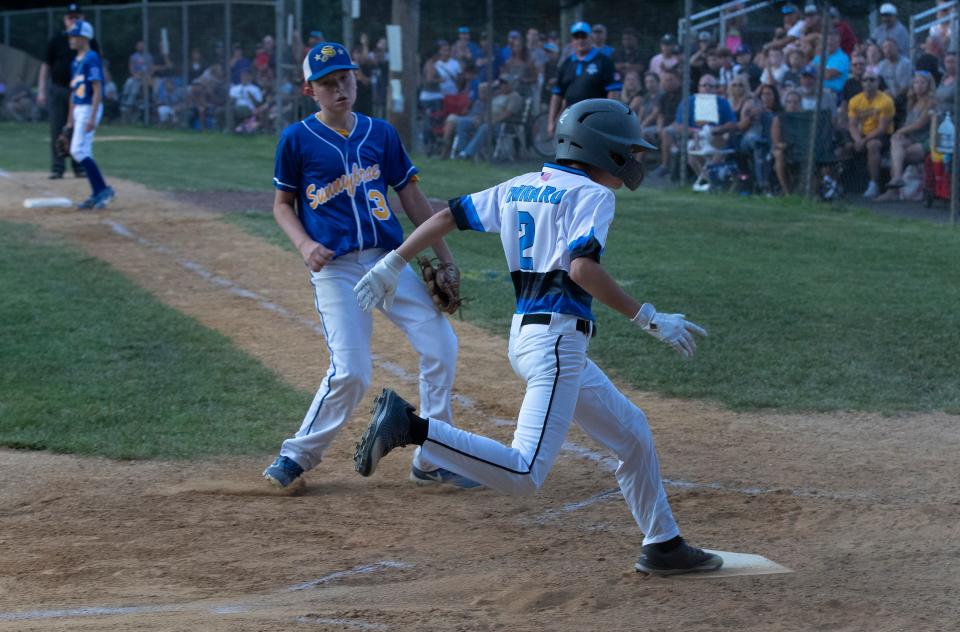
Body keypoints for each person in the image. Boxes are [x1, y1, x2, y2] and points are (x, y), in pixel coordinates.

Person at [352, 98, 722, 578]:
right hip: (556, 344)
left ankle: (663, 544)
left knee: (632, 433)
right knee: (525, 472)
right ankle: (412, 429)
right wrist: (648, 317)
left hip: (531, 338)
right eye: (628, 149)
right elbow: (583, 268)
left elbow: (447, 216)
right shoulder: (594, 195)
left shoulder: (522, 184)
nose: (635, 159)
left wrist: (393, 262)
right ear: (602, 149)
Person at [262, 42, 475, 491]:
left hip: (388, 262)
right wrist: (304, 244)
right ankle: (296, 456)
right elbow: (282, 205)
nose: (339, 87)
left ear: (356, 80)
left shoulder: (380, 133)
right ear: (309, 90)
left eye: (345, 78)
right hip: (336, 269)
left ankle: (432, 457)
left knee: (441, 345)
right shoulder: (296, 139)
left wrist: (444, 258)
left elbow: (412, 197)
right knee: (352, 371)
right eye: (327, 83)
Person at [37, 2, 99, 180]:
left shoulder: (89, 45)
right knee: (58, 128)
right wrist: (41, 90)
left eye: (77, 17)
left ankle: (79, 167)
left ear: (83, 19)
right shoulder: (57, 40)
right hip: (59, 89)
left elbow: (96, 69)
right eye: (70, 17)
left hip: (81, 93)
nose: (73, 20)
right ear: (65, 19)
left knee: (77, 129)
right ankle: (58, 167)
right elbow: (45, 65)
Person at [65, 20, 115, 209]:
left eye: (74, 36)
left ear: (84, 38)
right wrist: (69, 120)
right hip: (78, 108)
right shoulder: (74, 62)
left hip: (89, 107)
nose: (70, 39)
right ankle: (98, 192)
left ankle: (103, 190)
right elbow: (73, 92)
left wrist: (93, 117)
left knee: (77, 151)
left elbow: (97, 88)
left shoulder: (92, 57)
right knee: (84, 151)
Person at [547, 22, 621, 137]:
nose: (580, 40)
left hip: (596, 120)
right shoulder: (566, 64)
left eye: (584, 36)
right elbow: (557, 95)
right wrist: (551, 122)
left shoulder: (603, 61)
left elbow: (613, 91)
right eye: (577, 37)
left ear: (590, 38)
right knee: (570, 153)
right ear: (572, 41)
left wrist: (609, 118)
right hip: (571, 120)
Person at [879, 71, 936, 199]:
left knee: (897, 157)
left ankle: (892, 190)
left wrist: (900, 131)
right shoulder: (912, 102)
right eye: (916, 82)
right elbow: (908, 124)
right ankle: (897, 180)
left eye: (922, 83)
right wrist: (900, 135)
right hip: (912, 139)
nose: (919, 85)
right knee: (895, 142)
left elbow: (919, 124)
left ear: (928, 85)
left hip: (925, 140)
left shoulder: (931, 102)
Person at [844, 70, 894, 198]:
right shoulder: (855, 100)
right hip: (861, 134)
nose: (868, 83)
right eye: (865, 80)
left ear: (878, 83)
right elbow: (852, 125)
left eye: (872, 80)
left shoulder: (886, 101)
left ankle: (874, 184)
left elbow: (882, 128)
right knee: (844, 146)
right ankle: (837, 181)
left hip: (882, 135)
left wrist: (863, 141)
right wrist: (857, 140)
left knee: (873, 145)